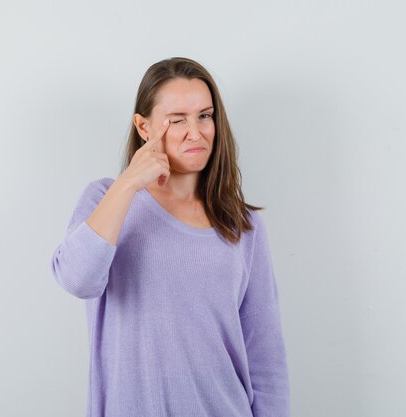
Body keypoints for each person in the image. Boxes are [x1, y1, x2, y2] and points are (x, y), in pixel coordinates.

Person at [50, 57, 291, 417]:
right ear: (143, 127)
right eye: (177, 120)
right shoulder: (106, 199)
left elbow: (265, 356)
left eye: (205, 116)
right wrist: (130, 182)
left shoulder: (243, 225)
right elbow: (76, 278)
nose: (195, 132)